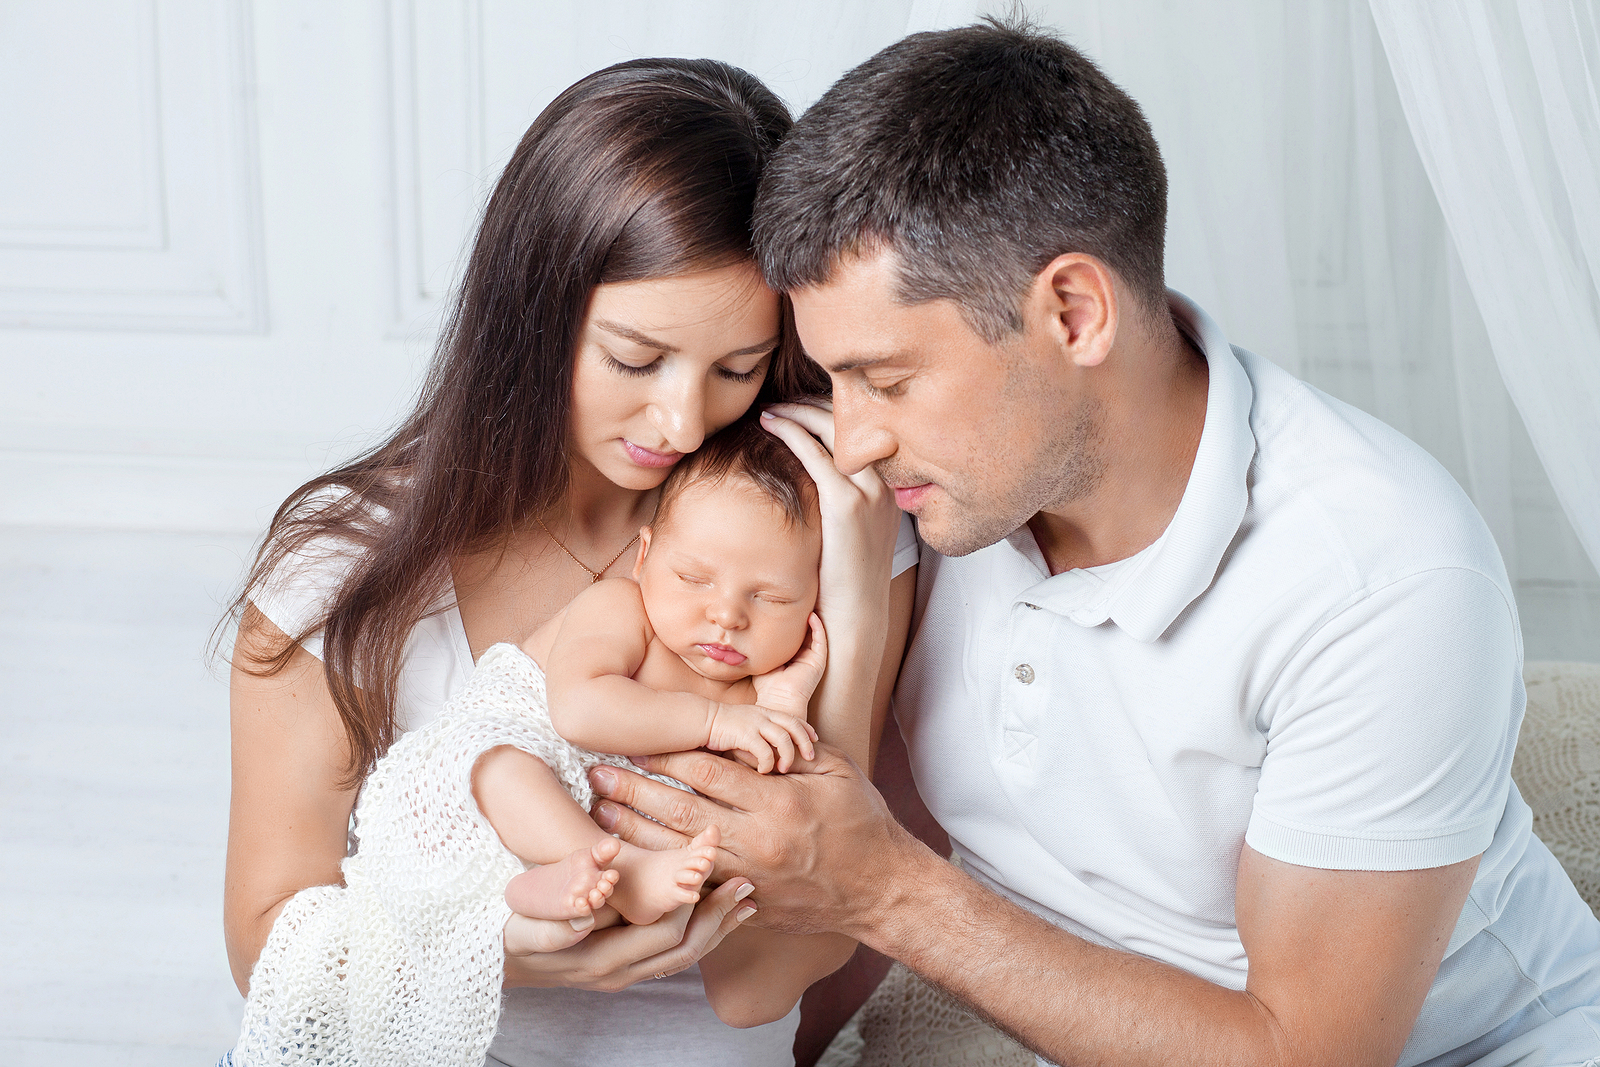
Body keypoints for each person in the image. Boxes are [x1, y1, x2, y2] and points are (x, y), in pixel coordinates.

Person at [586, 19, 1600, 1067]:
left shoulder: (1379, 574)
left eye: (887, 380)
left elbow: (1307, 1053)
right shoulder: (926, 497)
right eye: (834, 379)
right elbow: (825, 883)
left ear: (1073, 311)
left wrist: (889, 890)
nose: (854, 437)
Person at [225, 57, 917, 1067]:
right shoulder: (343, 569)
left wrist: (849, 614)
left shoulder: (816, 534)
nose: (681, 421)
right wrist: (485, 949)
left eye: (738, 368)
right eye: (635, 359)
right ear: (532, 314)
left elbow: (762, 979)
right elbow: (263, 940)